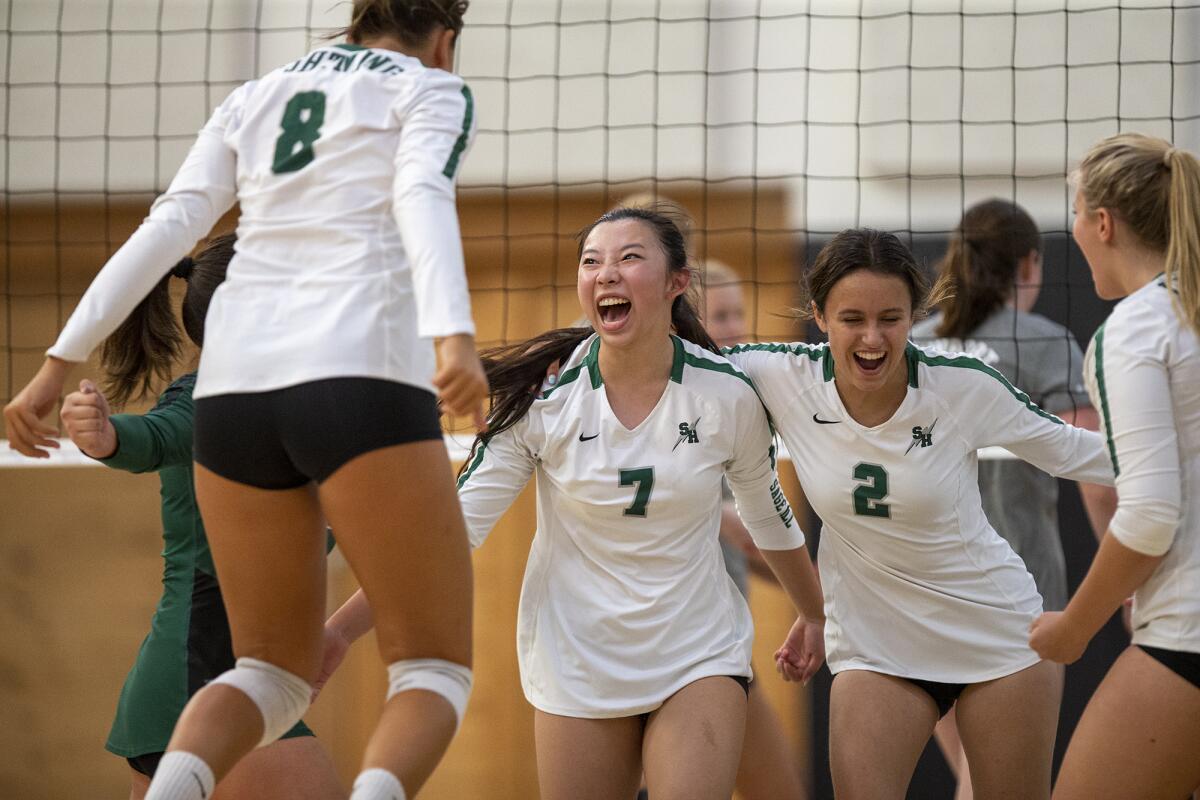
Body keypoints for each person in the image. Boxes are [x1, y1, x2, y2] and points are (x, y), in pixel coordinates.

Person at [3, 2, 488, 799]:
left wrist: (58, 361)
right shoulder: (428, 88)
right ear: (445, 39)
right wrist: (454, 337)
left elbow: (170, 226)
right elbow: (422, 199)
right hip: (354, 372)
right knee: (431, 669)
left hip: (234, 396)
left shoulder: (256, 93)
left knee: (267, 672)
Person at [323, 206, 827, 800]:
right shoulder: (545, 403)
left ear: (677, 283)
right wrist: (337, 633)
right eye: (592, 262)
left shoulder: (726, 395)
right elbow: (447, 538)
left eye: (629, 258)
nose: (606, 273)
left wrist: (816, 614)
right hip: (577, 660)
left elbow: (769, 519)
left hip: (698, 653)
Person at [727, 228, 1114, 800]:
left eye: (891, 318)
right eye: (852, 318)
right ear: (819, 315)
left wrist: (1178, 457)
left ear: (916, 316)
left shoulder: (960, 387)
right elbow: (674, 357)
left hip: (995, 635)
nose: (872, 338)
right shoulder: (782, 377)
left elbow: (1077, 451)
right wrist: (563, 372)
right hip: (875, 645)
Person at [59, 235, 342, 800]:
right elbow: (155, 437)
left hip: (222, 678)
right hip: (200, 676)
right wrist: (106, 437)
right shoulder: (205, 400)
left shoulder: (288, 408)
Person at [911, 198, 1118, 799]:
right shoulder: (1045, 342)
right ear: (1030, 264)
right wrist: (1125, 575)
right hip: (1017, 594)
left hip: (919, 595)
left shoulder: (914, 343)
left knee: (976, 782)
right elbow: (1096, 471)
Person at [1029, 133, 1200, 799]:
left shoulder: (1136, 329)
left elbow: (1152, 515)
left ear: (1102, 223)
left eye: (1075, 212)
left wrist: (1074, 626)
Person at [700, 258, 809, 800]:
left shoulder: (743, 397)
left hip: (723, 648)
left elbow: (752, 544)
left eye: (739, 312)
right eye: (720, 315)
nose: (735, 326)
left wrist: (818, 601)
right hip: (674, 649)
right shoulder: (684, 401)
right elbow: (749, 533)